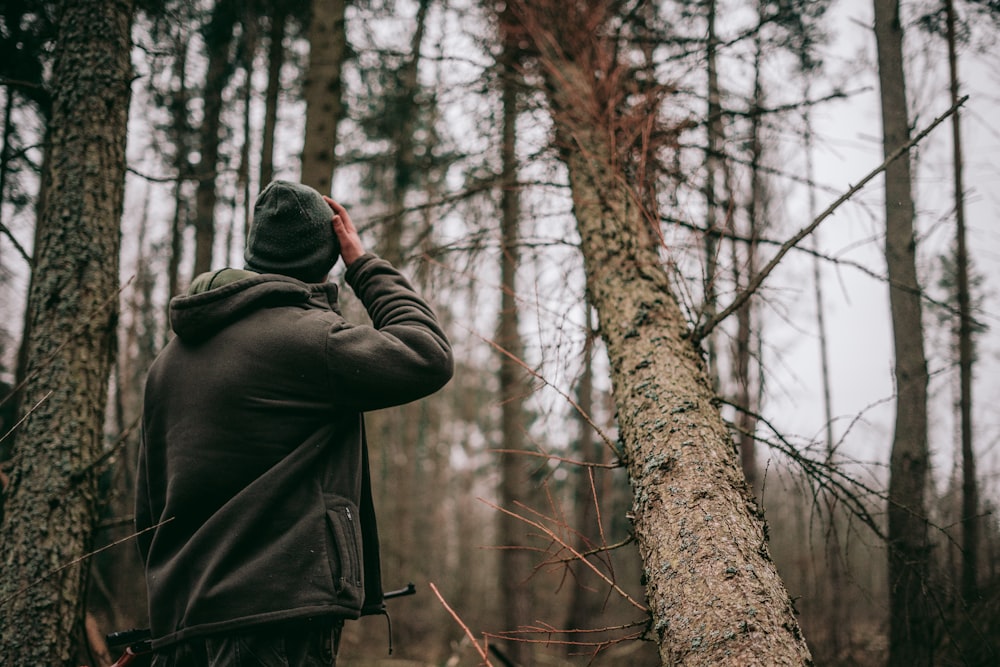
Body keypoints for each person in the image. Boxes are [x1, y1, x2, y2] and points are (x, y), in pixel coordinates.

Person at [135, 180, 454, 666]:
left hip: (181, 623)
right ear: (325, 256)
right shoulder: (312, 340)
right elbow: (427, 355)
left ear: (253, 253)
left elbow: (149, 506)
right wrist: (364, 266)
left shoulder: (167, 363)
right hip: (276, 618)